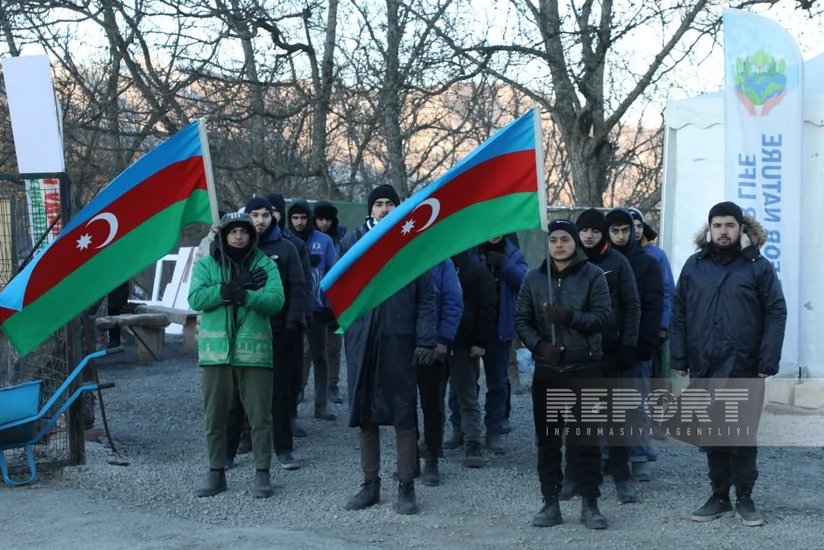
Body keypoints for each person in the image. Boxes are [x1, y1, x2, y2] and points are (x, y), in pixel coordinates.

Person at [671, 201, 786, 527]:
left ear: (741, 229)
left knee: (742, 434)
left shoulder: (758, 267)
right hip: (705, 364)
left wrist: (768, 358)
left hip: (744, 365)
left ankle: (745, 498)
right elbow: (679, 310)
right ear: (709, 229)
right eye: (717, 225)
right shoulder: (695, 266)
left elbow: (776, 311)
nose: (723, 231)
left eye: (729, 225)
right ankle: (719, 496)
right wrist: (680, 356)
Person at [339, 184, 437, 515]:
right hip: (362, 342)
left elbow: (427, 297)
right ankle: (370, 485)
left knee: (403, 413)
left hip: (400, 340)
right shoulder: (351, 245)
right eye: (378, 204)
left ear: (398, 209)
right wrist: (351, 331)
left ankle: (406, 486)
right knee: (365, 413)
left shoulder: (411, 246)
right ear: (370, 210)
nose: (383, 209)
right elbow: (336, 291)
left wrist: (425, 340)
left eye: (389, 204)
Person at [515, 219, 612, 529]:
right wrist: (541, 347)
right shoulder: (533, 278)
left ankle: (590, 504)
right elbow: (522, 321)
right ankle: (550, 503)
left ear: (575, 243)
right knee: (549, 441)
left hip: (585, 369)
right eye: (554, 239)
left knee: (586, 442)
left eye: (565, 239)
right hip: (548, 372)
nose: (559, 244)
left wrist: (570, 316)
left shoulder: (593, 275)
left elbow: (603, 317)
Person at [188, 212, 285, 498]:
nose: (239, 236)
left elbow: (277, 301)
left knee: (260, 417)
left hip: (254, 355)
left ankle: (262, 473)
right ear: (224, 235)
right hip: (215, 355)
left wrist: (246, 296)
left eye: (244, 232)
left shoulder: (265, 265)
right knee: (214, 416)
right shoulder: (207, 264)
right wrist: (228, 290)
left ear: (252, 236)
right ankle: (216, 472)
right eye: (233, 232)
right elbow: (195, 298)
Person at [560, 208, 641, 504]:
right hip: (576, 353)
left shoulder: (618, 263)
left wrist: (628, 346)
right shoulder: (566, 263)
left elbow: (632, 306)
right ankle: (573, 475)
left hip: (610, 351)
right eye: (584, 231)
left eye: (595, 230)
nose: (590, 235)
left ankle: (622, 476)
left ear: (603, 233)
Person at [224, 197, 305, 472]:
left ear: (274, 218)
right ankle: (233, 447)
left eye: (265, 215)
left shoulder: (287, 248)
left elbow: (298, 287)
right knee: (237, 393)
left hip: (279, 331)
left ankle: (283, 448)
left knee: (279, 392)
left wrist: (294, 324)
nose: (260, 220)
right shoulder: (234, 247)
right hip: (242, 330)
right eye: (254, 215)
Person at [446, 235, 527, 453]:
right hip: (469, 328)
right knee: (461, 382)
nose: (496, 232)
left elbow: (525, 282)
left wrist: (505, 264)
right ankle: (459, 428)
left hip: (500, 328)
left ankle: (494, 429)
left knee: (498, 383)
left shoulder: (513, 253)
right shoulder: (470, 249)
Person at [604, 208, 664, 481]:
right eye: (614, 230)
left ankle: (639, 456)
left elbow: (654, 306)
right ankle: (606, 455)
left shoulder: (648, 263)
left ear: (633, 231)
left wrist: (646, 344)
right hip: (605, 346)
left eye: (624, 230)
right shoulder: (597, 262)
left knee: (636, 403)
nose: (619, 236)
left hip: (637, 346)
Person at [285, 199, 339, 421]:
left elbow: (333, 274)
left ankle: (321, 405)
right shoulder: (285, 240)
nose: (299, 222)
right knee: (295, 358)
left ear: (309, 219)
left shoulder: (324, 241)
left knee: (320, 356)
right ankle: (294, 404)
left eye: (303, 217)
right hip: (292, 309)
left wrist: (330, 307)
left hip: (317, 309)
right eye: (295, 218)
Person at [267, 193, 312, 438]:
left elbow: (303, 283)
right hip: (262, 325)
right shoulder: (249, 242)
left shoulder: (294, 244)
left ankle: (289, 418)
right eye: (265, 211)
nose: (269, 216)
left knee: (291, 376)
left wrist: (302, 317)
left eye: (274, 211)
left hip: (290, 322)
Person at [629, 207, 676, 436]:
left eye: (639, 225)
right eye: (631, 226)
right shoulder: (619, 254)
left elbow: (668, 291)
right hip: (632, 328)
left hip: (658, 326)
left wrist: (663, 323)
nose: (635, 230)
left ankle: (660, 422)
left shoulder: (657, 255)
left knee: (660, 376)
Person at [415, 258, 462, 486]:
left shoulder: (442, 261)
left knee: (431, 403)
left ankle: (432, 457)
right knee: (402, 404)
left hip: (432, 345)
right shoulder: (398, 254)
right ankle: (409, 458)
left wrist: (444, 339)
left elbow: (453, 301)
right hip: (400, 343)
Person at [448, 250, 496, 468]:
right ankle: (453, 432)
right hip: (436, 340)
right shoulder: (432, 266)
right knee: (436, 396)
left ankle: (473, 442)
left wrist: (481, 341)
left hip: (465, 342)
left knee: (467, 394)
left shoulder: (476, 270)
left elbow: (487, 307)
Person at [312, 200, 348, 404]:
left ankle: (333, 385)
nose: (323, 223)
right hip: (315, 301)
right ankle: (302, 387)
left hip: (335, 301)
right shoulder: (309, 239)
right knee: (308, 350)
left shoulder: (342, 239)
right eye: (320, 218)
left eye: (327, 219)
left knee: (334, 348)